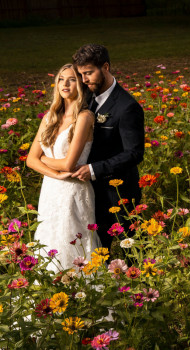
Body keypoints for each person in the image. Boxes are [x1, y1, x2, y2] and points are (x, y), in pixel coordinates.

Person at [27, 63, 100, 273]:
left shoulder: (84, 117)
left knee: (71, 242)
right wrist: (56, 175)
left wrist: (44, 159)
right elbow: (30, 159)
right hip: (51, 189)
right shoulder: (51, 116)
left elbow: (68, 163)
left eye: (71, 80)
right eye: (61, 79)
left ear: (81, 85)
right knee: (49, 240)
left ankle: (80, 297)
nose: (65, 84)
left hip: (73, 191)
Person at [71, 44, 145, 250]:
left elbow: (135, 153)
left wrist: (94, 169)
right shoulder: (84, 98)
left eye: (88, 73)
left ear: (105, 67)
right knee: (96, 248)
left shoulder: (127, 106)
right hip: (88, 190)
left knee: (132, 249)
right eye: (81, 74)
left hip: (119, 191)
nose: (84, 80)